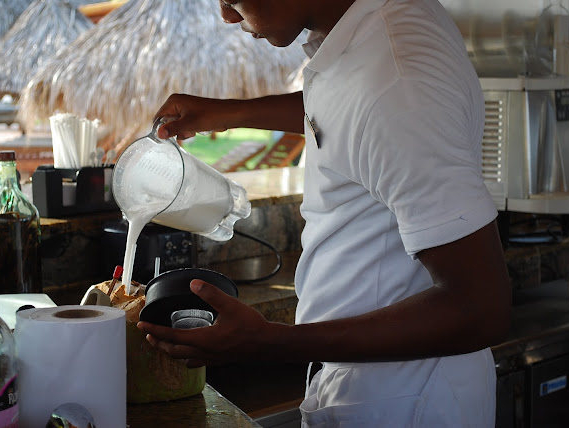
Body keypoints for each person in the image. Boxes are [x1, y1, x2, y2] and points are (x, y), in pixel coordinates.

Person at [138, 0, 512, 426]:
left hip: (402, 398)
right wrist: (232, 113)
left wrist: (268, 342)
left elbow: (480, 308)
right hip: (379, 378)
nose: (227, 15)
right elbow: (348, 108)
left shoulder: (400, 85)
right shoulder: (376, 27)